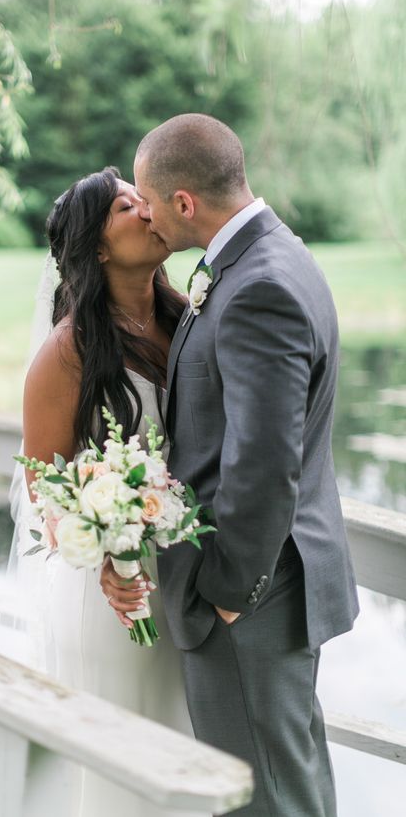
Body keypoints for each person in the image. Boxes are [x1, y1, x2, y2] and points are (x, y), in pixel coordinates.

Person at [101, 113, 360, 816]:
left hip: (253, 599)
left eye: (149, 202)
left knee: (265, 798)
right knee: (288, 781)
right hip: (269, 592)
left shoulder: (257, 288)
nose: (146, 216)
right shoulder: (263, 257)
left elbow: (264, 463)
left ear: (183, 203)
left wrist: (227, 592)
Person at [16, 166, 193, 817]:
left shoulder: (186, 323)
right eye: (127, 206)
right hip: (113, 595)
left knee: (180, 755)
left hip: (188, 582)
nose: (148, 210)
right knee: (120, 782)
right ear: (96, 246)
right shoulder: (67, 354)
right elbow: (46, 488)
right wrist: (105, 553)